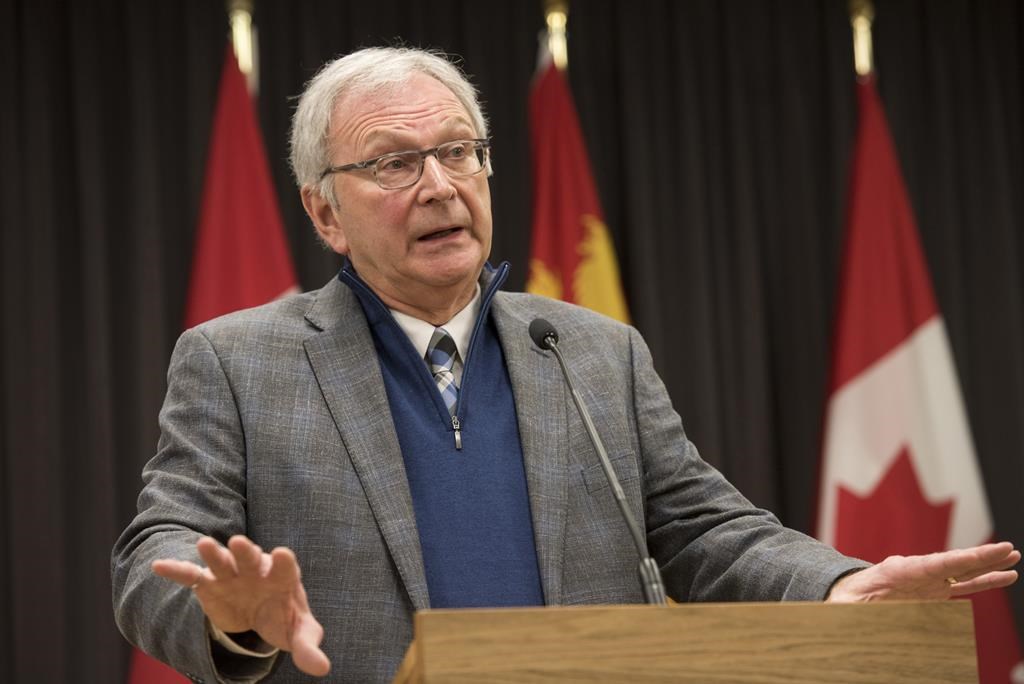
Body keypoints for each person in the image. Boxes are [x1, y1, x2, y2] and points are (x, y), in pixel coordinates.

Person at [111, 46, 1019, 683]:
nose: (440, 185)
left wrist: (837, 580)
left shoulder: (591, 351)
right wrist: (229, 618)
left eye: (460, 151)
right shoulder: (239, 361)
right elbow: (153, 558)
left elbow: (705, 532)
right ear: (324, 214)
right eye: (394, 163)